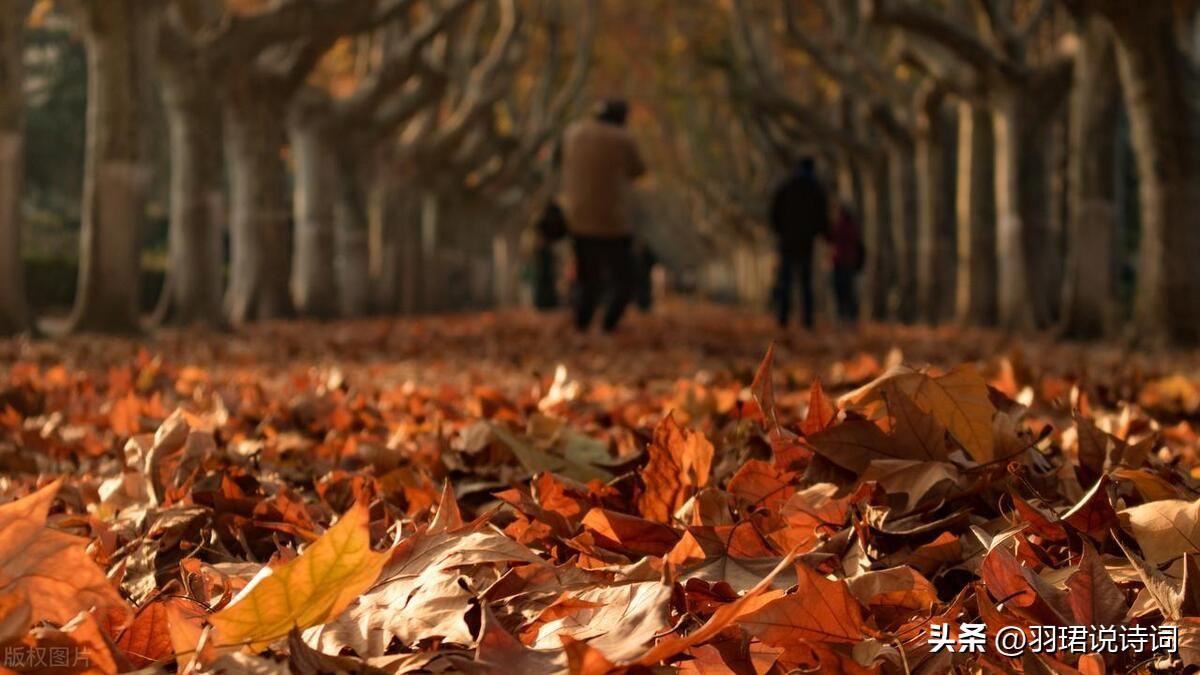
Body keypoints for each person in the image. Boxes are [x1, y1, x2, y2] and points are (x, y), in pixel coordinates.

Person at [560, 99, 646, 332]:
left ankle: (582, 323)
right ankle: (609, 323)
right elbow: (637, 170)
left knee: (587, 276)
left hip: (577, 218)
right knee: (626, 277)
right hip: (612, 221)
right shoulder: (622, 137)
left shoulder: (572, 132)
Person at [769, 157, 828, 329]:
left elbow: (774, 214)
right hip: (806, 243)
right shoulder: (816, 190)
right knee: (806, 283)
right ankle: (807, 320)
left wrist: (780, 231)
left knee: (785, 282)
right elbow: (822, 219)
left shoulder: (786, 188)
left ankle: (783, 319)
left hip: (786, 241)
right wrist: (817, 232)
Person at [829, 200, 863, 323]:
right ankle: (849, 316)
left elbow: (831, 237)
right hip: (847, 262)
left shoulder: (841, 225)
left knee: (842, 290)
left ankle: (845, 316)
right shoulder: (853, 226)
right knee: (847, 291)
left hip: (842, 262)